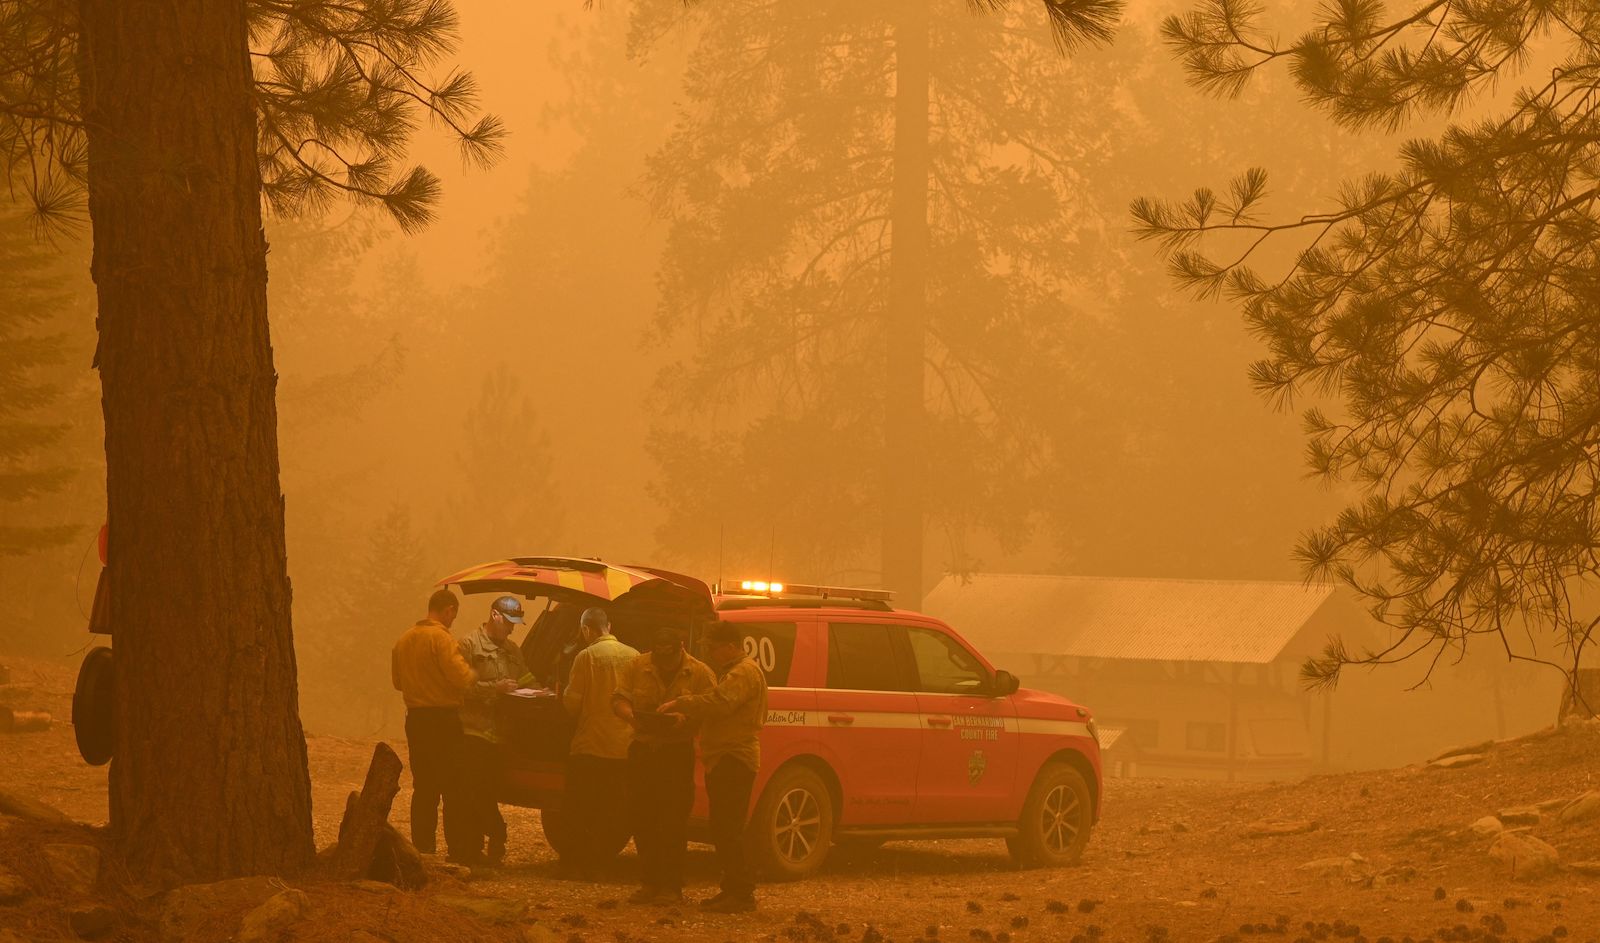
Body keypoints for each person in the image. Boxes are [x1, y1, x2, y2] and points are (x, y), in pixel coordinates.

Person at [661, 620, 768, 913]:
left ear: (731, 647)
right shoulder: (733, 671)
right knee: (723, 827)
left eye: (713, 647)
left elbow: (719, 704)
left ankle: (742, 892)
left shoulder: (742, 673)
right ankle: (732, 888)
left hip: (734, 758)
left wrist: (684, 702)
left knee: (728, 828)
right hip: (725, 757)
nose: (710, 653)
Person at [611, 626, 715, 904]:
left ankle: (671, 886)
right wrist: (631, 716)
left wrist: (686, 717)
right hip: (643, 751)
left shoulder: (700, 673)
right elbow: (619, 698)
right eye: (659, 658)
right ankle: (649, 882)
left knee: (673, 821)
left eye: (669, 658)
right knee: (641, 818)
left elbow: (711, 709)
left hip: (676, 754)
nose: (664, 663)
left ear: (680, 648)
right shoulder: (638, 665)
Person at [391, 588, 477, 861]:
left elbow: (397, 682)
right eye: (453, 615)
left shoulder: (404, 640)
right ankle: (458, 850)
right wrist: (474, 673)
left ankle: (423, 850)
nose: (452, 620)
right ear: (448, 610)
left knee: (424, 787)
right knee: (454, 786)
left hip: (416, 720)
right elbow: (461, 677)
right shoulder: (441, 639)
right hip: (444, 721)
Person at [559, 607, 639, 875]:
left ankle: (579, 862)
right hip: (625, 748)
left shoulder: (587, 657)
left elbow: (572, 703)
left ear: (586, 630)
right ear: (609, 625)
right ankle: (606, 862)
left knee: (582, 808)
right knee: (614, 809)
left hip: (590, 747)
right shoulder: (634, 656)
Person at [457, 595, 533, 866]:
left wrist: (540, 691)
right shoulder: (468, 644)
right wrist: (495, 689)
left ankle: (490, 841)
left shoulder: (513, 650)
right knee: (472, 791)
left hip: (501, 736)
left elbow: (526, 679)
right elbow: (460, 688)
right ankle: (475, 846)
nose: (512, 629)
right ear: (495, 616)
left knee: (489, 790)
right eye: (509, 623)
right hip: (473, 731)